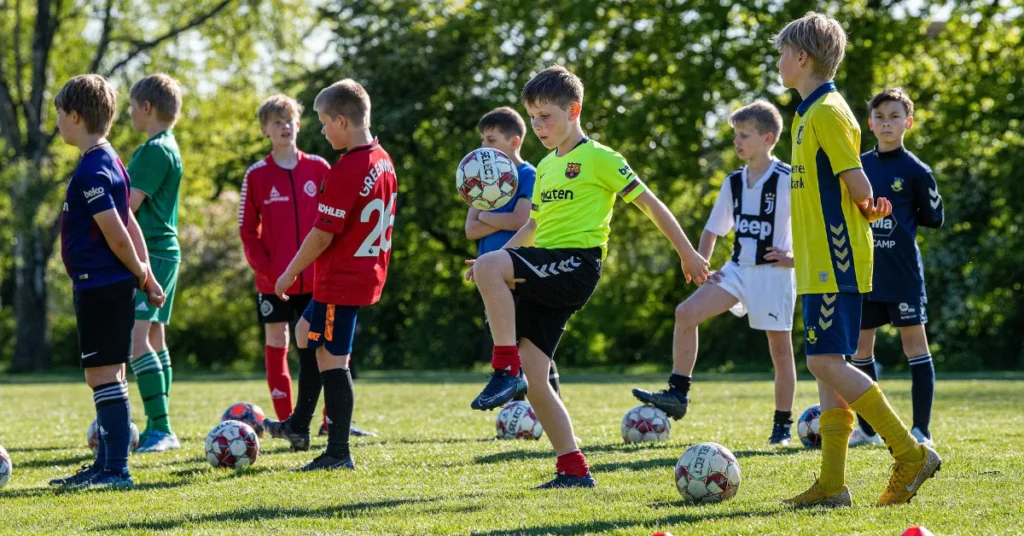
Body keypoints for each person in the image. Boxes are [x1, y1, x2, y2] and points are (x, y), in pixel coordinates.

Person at [466, 66, 709, 488]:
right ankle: (574, 469)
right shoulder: (543, 168)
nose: (539, 126)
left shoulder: (600, 157)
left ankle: (504, 370)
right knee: (538, 379)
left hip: (577, 264)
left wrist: (688, 253)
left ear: (573, 110)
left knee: (499, 290)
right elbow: (532, 228)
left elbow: (650, 204)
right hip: (546, 262)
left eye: (546, 116)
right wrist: (493, 261)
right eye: (534, 117)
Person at [772, 12, 941, 507]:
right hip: (815, 260)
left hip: (834, 259)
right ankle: (832, 484)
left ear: (802, 58)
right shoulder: (807, 112)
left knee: (822, 360)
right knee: (830, 368)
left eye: (783, 53)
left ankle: (910, 452)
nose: (779, 62)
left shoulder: (828, 111)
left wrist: (869, 205)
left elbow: (858, 180)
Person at [632, 100, 797, 445]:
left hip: (773, 275)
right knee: (686, 313)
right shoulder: (733, 182)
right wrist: (702, 264)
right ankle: (678, 394)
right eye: (735, 135)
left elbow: (816, 228)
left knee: (779, 351)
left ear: (768, 138)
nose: (737, 142)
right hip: (737, 271)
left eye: (744, 135)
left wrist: (794, 259)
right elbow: (712, 231)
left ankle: (782, 426)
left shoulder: (789, 179)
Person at [48, 74, 165, 488]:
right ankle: (108, 466)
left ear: (76, 116)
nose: (57, 121)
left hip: (100, 284)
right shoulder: (110, 159)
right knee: (108, 374)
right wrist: (146, 275)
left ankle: (114, 469)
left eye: (60, 113)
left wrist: (139, 272)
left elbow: (117, 232)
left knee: (101, 375)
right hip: (107, 284)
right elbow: (132, 224)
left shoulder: (93, 170)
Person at [273, 79, 397, 470]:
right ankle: (298, 424)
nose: (323, 131)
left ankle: (338, 452)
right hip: (363, 274)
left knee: (332, 360)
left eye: (325, 123)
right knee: (303, 334)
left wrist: (289, 272)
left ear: (342, 121)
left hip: (340, 280)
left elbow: (323, 234)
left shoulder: (348, 168)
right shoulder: (382, 159)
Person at [848, 88, 944, 448]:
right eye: (880, 117)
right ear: (870, 123)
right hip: (865, 271)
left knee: (914, 346)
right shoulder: (859, 166)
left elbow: (933, 217)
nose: (887, 123)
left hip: (903, 274)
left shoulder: (916, 170)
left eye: (894, 116)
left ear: (909, 122)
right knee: (860, 350)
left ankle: (922, 430)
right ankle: (869, 430)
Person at [465, 106, 560, 398]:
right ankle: (517, 411)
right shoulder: (480, 177)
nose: (484, 146)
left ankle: (546, 405)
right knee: (507, 342)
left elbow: (522, 220)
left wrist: (487, 218)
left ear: (514, 141)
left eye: (491, 140)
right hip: (490, 275)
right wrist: (494, 221)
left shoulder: (528, 174)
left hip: (520, 270)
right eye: (482, 139)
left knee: (528, 344)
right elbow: (471, 229)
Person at [126, 74, 185, 453]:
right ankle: (159, 426)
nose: (129, 113)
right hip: (166, 251)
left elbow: (125, 208)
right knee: (154, 337)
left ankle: (161, 428)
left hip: (153, 252)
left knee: (136, 342)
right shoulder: (168, 146)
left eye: (132, 106)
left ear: (147, 108)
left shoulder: (154, 151)